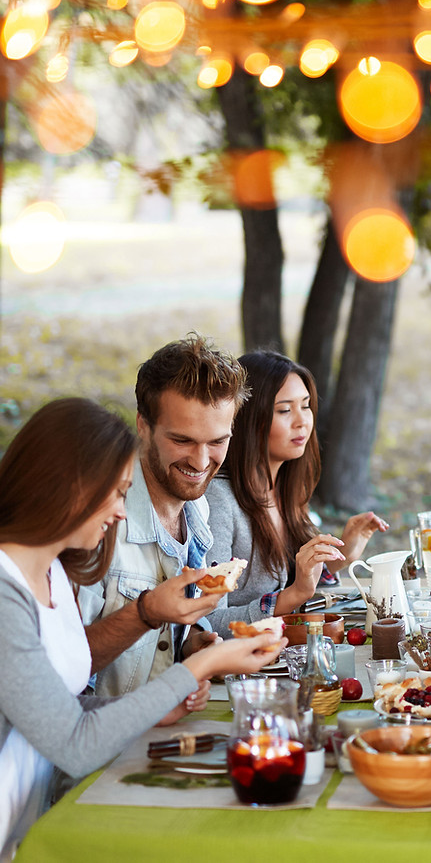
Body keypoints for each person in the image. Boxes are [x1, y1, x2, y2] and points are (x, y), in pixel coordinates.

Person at [0, 397, 285, 860]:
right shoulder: (5, 592)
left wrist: (145, 708)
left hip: (31, 825)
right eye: (114, 494)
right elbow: (73, 743)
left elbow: (57, 703)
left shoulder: (50, 572)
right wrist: (202, 666)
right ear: (66, 486)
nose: (120, 512)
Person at [79, 333, 250, 697]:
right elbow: (61, 667)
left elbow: (163, 642)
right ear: (143, 426)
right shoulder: (97, 522)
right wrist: (146, 613)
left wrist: (190, 645)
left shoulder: (197, 508)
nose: (202, 462)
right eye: (183, 440)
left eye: (218, 441)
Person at [205, 349, 389, 637]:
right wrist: (293, 595)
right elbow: (207, 625)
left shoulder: (287, 489)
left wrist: (340, 559)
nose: (302, 421)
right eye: (284, 410)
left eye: (306, 406)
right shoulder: (219, 502)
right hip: (243, 673)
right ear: (248, 418)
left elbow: (299, 584)